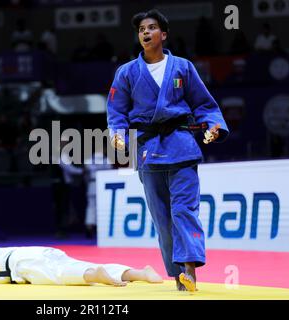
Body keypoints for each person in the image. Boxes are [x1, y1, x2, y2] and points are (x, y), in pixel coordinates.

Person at [106, 9, 228, 292]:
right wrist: (117, 135)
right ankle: (177, 275)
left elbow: (204, 103)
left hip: (182, 145)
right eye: (141, 30)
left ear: (164, 35)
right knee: (162, 218)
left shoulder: (183, 67)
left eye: (151, 28)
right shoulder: (126, 72)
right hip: (149, 150)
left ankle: (189, 270)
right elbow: (116, 111)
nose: (145, 33)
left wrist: (213, 125)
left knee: (185, 210)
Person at [0, 245, 163, 286]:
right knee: (77, 262)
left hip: (23, 264)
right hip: (40, 250)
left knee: (60, 274)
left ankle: (93, 275)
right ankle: (141, 273)